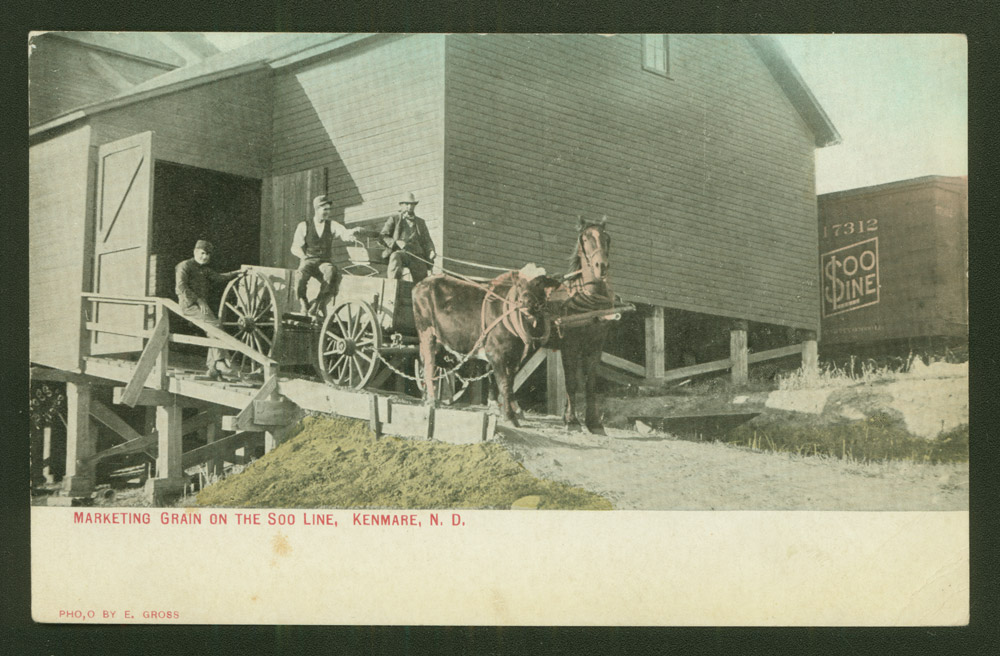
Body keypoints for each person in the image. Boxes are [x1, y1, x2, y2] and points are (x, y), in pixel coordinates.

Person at [175, 240, 242, 380]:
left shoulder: (204, 269)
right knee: (215, 326)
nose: (205, 257)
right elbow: (181, 287)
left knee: (213, 327)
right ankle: (219, 362)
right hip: (188, 305)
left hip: (199, 305)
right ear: (195, 252)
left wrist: (238, 273)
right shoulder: (184, 266)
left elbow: (219, 278)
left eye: (208, 254)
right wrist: (198, 300)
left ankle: (212, 369)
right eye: (202, 253)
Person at [290, 194, 360, 315]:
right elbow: (295, 247)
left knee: (331, 272)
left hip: (324, 261)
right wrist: (303, 257)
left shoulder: (332, 225)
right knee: (300, 275)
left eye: (329, 209)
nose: (327, 212)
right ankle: (303, 302)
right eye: (325, 209)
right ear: (317, 209)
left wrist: (351, 234)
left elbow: (343, 233)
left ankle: (317, 304)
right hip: (309, 260)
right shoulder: (304, 226)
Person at [380, 192, 436, 283]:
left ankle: (419, 294)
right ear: (401, 205)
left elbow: (427, 240)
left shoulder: (420, 222)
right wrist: (396, 242)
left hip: (416, 255)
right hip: (402, 253)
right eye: (407, 204)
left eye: (412, 204)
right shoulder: (394, 219)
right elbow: (382, 236)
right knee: (395, 257)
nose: (409, 206)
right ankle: (393, 285)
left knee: (422, 278)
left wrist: (431, 250)